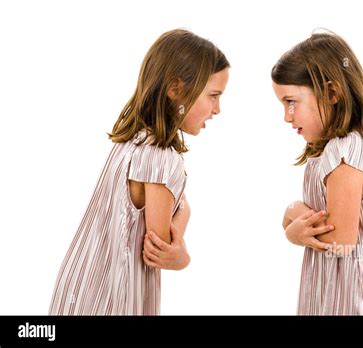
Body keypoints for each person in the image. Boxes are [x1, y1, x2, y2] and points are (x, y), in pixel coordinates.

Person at [49, 29, 230, 315]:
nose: (218, 109)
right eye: (214, 96)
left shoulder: (131, 142)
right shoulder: (161, 158)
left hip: (80, 286)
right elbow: (158, 249)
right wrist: (183, 247)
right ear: (176, 90)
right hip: (115, 297)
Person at [272, 30, 363, 315]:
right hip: (341, 294)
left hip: (362, 300)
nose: (286, 116)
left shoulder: (346, 151)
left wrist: (293, 215)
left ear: (331, 93)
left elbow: (339, 241)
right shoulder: (327, 152)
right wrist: (295, 218)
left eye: (291, 102)